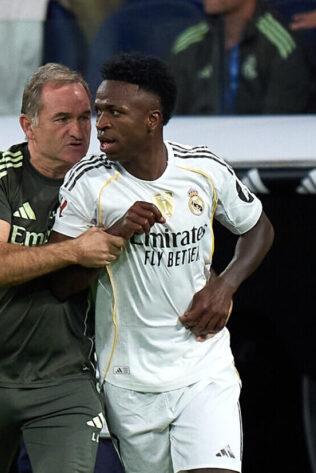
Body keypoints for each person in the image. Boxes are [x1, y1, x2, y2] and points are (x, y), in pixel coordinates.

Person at [49, 52, 275, 473]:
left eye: (114, 112)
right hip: (129, 382)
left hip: (202, 368)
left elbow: (258, 229)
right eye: (99, 112)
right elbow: (60, 285)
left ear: (152, 119)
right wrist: (114, 235)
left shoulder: (203, 168)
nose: (100, 124)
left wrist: (225, 286)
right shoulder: (87, 183)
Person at [0, 62, 126, 473]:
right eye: (62, 118)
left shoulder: (108, 182)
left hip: (67, 380)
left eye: (85, 118)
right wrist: (73, 251)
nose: (79, 131)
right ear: (28, 125)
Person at [170, 0, 314, 115]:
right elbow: (172, 121)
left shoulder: (280, 46)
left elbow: (279, 126)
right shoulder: (188, 45)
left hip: (262, 148)